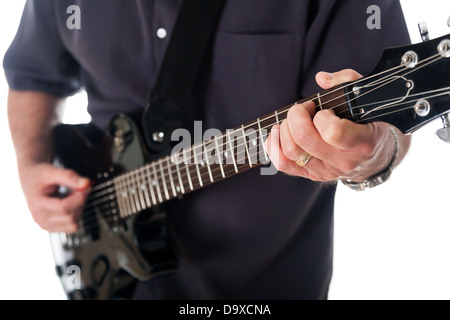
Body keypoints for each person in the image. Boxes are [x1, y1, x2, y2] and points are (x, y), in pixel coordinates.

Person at [3, 0, 411, 299]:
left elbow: (389, 119)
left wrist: (373, 156)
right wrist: (30, 164)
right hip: (114, 278)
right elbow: (33, 76)